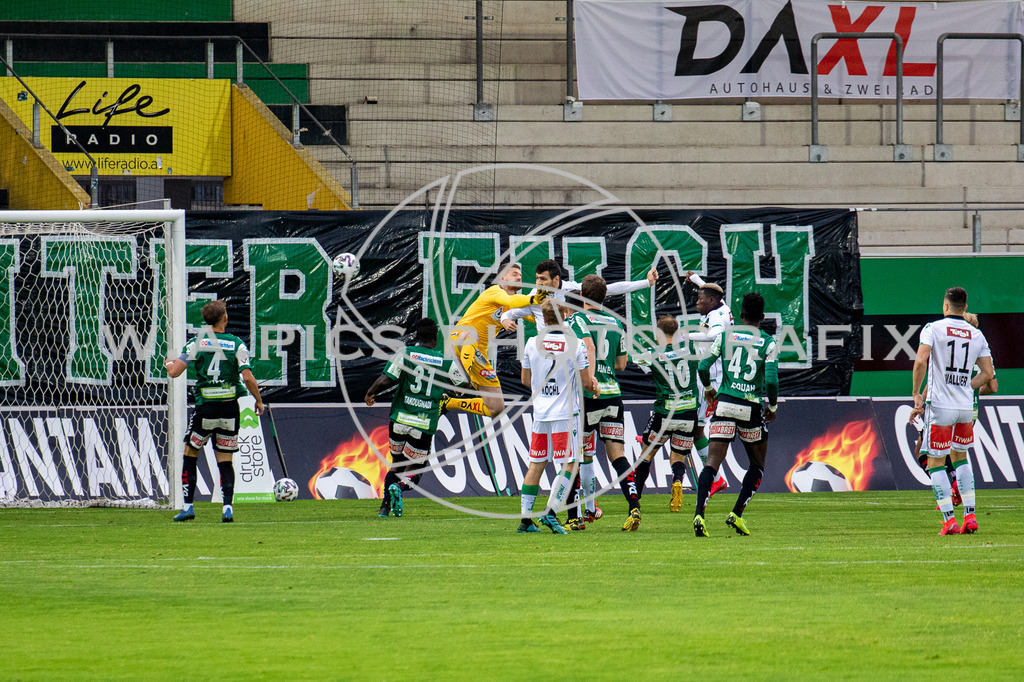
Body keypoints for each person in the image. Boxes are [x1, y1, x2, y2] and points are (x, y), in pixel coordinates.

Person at [166, 299, 264, 523]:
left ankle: (188, 507)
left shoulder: (196, 343)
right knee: (225, 459)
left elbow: (175, 372)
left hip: (205, 409)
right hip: (230, 410)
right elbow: (247, 377)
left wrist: (168, 364)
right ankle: (227, 508)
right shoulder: (237, 344)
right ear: (225, 318)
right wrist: (258, 401)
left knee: (190, 453)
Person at [693, 292, 778, 538]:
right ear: (762, 317)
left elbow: (702, 366)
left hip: (725, 404)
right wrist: (772, 407)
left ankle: (699, 513)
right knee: (757, 464)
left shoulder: (725, 336)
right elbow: (771, 381)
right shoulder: (768, 342)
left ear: (741, 315)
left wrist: (709, 390)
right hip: (750, 407)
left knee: (711, 462)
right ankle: (736, 513)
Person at [911, 288, 995, 535]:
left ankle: (949, 520)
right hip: (965, 408)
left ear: (945, 306)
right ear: (965, 307)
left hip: (940, 407)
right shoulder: (976, 334)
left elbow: (920, 361)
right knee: (961, 458)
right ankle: (970, 516)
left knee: (936, 462)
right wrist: (966, 387)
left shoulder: (932, 328)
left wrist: (916, 394)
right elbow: (988, 374)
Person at [364, 318, 467, 518]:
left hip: (400, 420)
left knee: (397, 464)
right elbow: (463, 387)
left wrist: (370, 393)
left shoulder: (405, 354)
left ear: (417, 337)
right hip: (423, 423)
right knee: (415, 471)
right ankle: (400, 488)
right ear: (435, 339)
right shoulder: (445, 361)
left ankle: (384, 509)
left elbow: (387, 379)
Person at [567, 275, 641, 531]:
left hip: (587, 395)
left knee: (578, 455)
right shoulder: (615, 322)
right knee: (617, 454)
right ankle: (634, 507)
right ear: (604, 296)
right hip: (613, 395)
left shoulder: (576, 319)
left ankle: (575, 515)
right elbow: (621, 364)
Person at [517, 300, 594, 534]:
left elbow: (525, 381)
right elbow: (585, 383)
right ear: (566, 314)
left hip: (540, 413)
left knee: (536, 464)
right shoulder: (576, 344)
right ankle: (551, 512)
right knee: (569, 463)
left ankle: (525, 521)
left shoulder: (531, 343)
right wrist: (595, 386)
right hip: (565, 414)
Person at [444, 263, 546, 418]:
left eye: (520, 274)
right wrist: (532, 299)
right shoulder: (495, 291)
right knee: (472, 334)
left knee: (496, 407)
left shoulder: (511, 306)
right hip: (459, 340)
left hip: (476, 354)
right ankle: (460, 376)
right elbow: (511, 301)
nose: (519, 277)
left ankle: (449, 403)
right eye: (514, 273)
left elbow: (534, 317)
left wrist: (555, 313)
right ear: (502, 278)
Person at [635, 315, 703, 515]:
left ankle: (635, 499)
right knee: (678, 457)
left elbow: (629, 361)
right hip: (689, 413)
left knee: (646, 454)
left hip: (665, 413)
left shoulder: (652, 353)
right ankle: (677, 481)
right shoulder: (692, 350)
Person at [500, 259, 658, 335]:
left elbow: (609, 289)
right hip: (546, 351)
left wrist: (646, 282)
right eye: (537, 278)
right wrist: (504, 319)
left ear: (556, 279)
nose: (538, 283)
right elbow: (510, 313)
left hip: (571, 351)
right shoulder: (535, 297)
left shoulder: (573, 290)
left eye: (543, 279)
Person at [684, 271, 731, 498]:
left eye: (700, 299)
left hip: (710, 379)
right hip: (705, 376)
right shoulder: (718, 306)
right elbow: (713, 293)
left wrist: (685, 336)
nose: (697, 302)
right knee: (696, 428)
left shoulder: (718, 317)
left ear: (710, 302)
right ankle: (716, 479)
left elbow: (714, 336)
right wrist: (696, 280)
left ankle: (715, 478)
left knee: (696, 428)